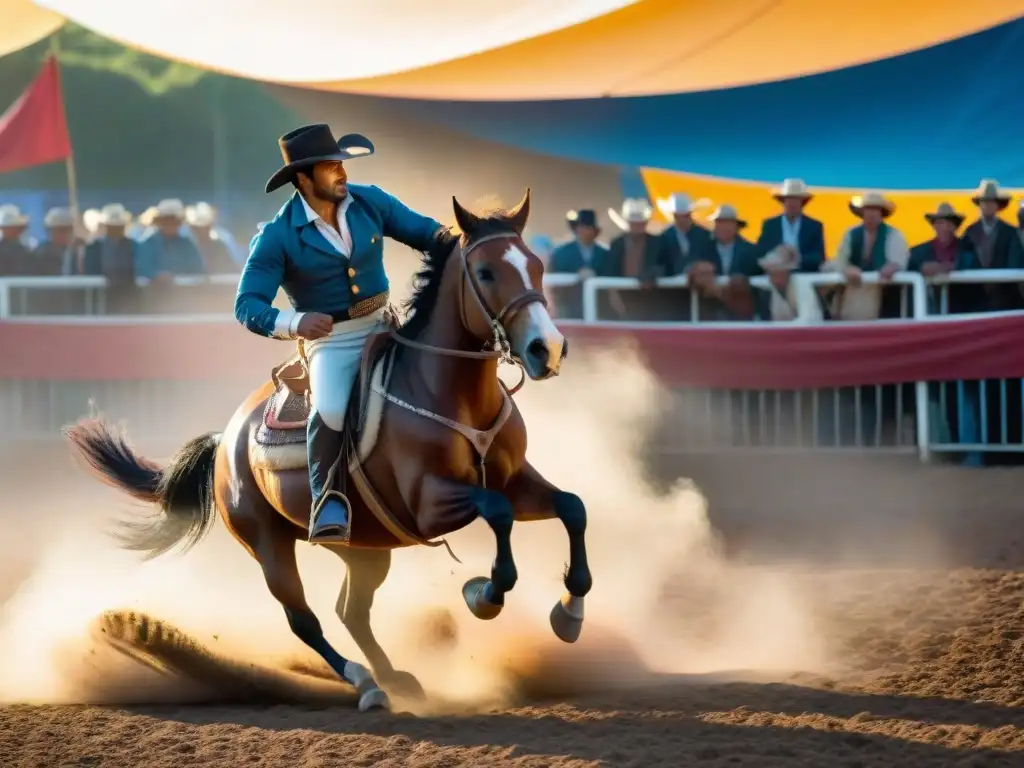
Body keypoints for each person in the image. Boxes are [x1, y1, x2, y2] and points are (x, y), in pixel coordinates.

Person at [235, 123, 455, 544]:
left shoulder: (371, 200)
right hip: (331, 341)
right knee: (332, 409)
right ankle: (328, 501)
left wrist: (464, 241)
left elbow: (429, 234)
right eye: (331, 166)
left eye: (341, 163)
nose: (341, 172)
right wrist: (296, 323)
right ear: (303, 178)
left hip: (386, 323)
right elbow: (247, 306)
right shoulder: (276, 236)